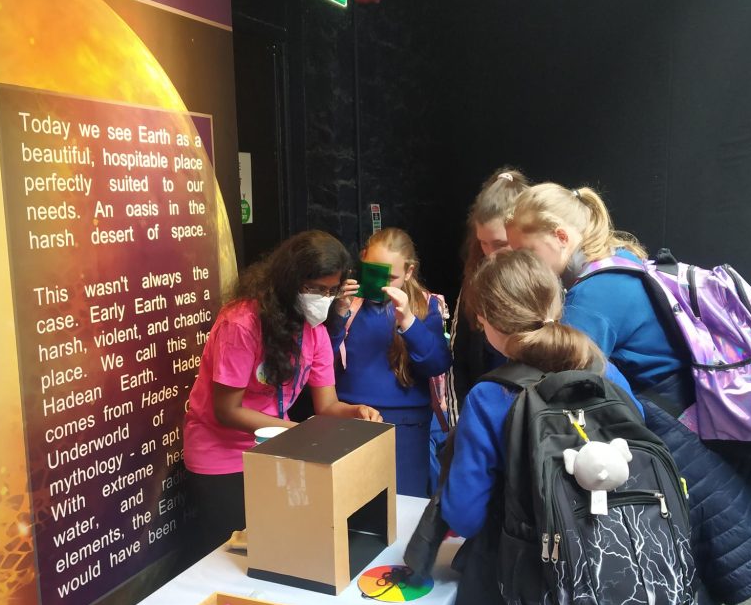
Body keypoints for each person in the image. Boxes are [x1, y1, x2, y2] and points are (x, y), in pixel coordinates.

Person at [506, 183, 751, 605]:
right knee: (676, 598)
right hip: (709, 457)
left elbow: (561, 390)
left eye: (525, 250)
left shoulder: (595, 296)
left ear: (561, 237)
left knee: (660, 599)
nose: (523, 262)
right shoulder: (628, 262)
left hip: (682, 463)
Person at [439, 248, 637, 605]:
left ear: (488, 320)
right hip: (618, 570)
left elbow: (465, 517)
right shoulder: (611, 376)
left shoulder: (491, 397)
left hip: (535, 593)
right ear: (556, 304)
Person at [183, 230, 382, 557]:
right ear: (290, 281)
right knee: (232, 559)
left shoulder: (315, 330)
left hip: (275, 450)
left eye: (332, 291)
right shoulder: (242, 323)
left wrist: (356, 411)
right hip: (222, 458)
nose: (324, 299)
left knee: (275, 554)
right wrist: (300, 434)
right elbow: (226, 410)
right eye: (316, 289)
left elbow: (328, 404)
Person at [329, 227, 451, 498]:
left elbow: (438, 363)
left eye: (391, 277)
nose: (381, 284)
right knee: (353, 503)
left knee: (404, 504)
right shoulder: (347, 302)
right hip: (351, 419)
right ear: (362, 260)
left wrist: (408, 321)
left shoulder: (424, 304)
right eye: (372, 271)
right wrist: (337, 315)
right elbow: (320, 361)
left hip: (407, 426)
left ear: (409, 272)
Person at [446, 167, 531, 423]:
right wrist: (459, 425)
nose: (490, 254)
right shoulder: (475, 282)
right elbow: (458, 360)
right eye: (483, 243)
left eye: (500, 244)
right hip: (483, 417)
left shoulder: (546, 288)